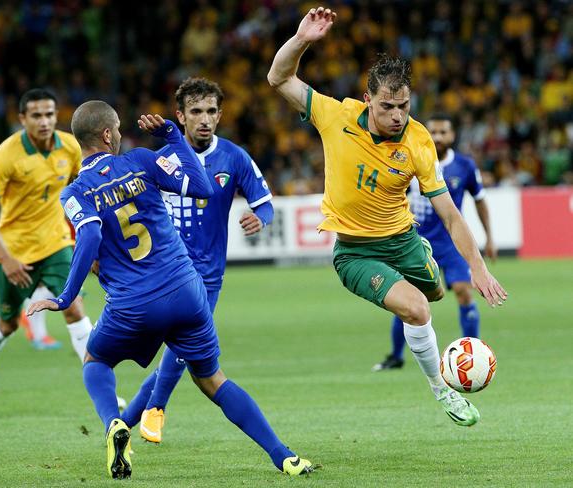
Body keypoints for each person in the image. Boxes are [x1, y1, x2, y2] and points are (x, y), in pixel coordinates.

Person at [27, 101, 313, 479]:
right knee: (213, 380)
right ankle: (284, 457)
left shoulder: (75, 193)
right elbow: (202, 187)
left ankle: (115, 422)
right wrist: (174, 139)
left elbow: (92, 234)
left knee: (96, 362)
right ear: (109, 134)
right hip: (185, 292)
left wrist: (65, 297)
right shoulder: (143, 160)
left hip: (133, 304)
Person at [267, 7, 507, 427]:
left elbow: (449, 214)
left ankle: (421, 270)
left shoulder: (418, 140)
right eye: (387, 106)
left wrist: (478, 268)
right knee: (417, 309)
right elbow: (279, 78)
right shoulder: (335, 116)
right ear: (367, 101)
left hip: (405, 240)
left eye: (404, 105)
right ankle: (442, 390)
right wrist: (302, 39)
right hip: (356, 254)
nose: (397, 115)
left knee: (435, 293)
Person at [127, 77, 274, 444]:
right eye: (196, 112)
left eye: (211, 111)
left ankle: (142, 414)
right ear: (180, 116)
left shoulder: (234, 157)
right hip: (162, 272)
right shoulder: (162, 160)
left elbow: (265, 203)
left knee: (181, 348)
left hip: (206, 276)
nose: (204, 119)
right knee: (183, 352)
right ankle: (129, 419)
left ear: (221, 114)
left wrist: (261, 218)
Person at [0, 88, 94, 404]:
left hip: (56, 242)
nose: (45, 121)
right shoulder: (7, 155)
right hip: (14, 251)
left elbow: (90, 188)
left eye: (50, 114)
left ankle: (100, 384)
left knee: (74, 307)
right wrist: (6, 258)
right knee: (8, 323)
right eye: (36, 115)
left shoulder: (69, 147)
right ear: (22, 119)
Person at [373, 114, 497, 371]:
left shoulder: (464, 165)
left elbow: (480, 199)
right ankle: (396, 355)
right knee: (407, 300)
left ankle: (474, 355)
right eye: (434, 132)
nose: (438, 137)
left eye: (444, 132)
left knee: (464, 291)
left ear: (452, 136)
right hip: (415, 243)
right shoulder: (408, 158)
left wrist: (489, 237)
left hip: (452, 244)